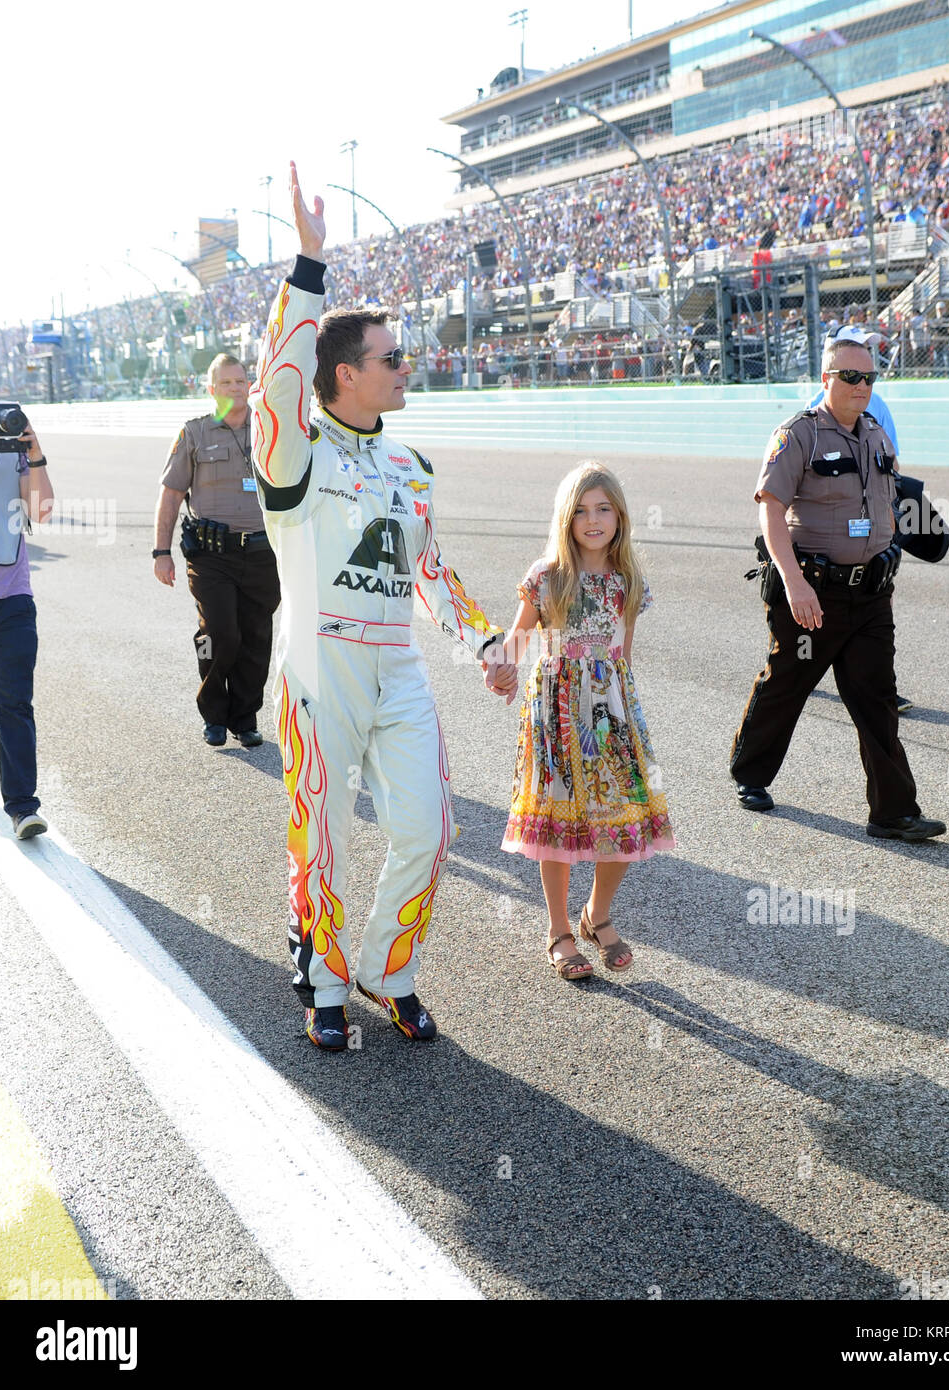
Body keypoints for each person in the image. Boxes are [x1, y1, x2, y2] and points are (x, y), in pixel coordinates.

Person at [250, 163, 516, 1051]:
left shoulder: (410, 466)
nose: (407, 366)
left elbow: (429, 568)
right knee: (320, 840)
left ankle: (383, 966)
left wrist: (481, 640)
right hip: (317, 666)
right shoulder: (295, 455)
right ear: (344, 376)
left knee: (430, 830)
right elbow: (272, 392)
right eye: (392, 358)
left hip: (396, 661)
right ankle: (324, 978)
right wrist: (308, 266)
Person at [730, 337, 946, 843]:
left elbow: (889, 500)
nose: (862, 386)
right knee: (787, 684)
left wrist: (890, 546)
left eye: (869, 377)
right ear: (826, 380)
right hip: (812, 593)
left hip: (870, 596)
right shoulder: (797, 435)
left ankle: (892, 812)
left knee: (876, 699)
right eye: (850, 377)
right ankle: (750, 776)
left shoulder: (876, 435)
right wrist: (793, 582)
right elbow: (770, 512)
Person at [501, 462, 675, 980]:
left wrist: (624, 709)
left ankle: (597, 914)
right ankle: (558, 928)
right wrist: (501, 667)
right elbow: (517, 640)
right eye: (580, 510)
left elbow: (626, 652)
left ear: (620, 515)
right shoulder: (547, 576)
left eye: (603, 509)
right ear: (564, 518)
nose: (592, 520)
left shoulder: (629, 580)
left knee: (623, 814)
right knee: (557, 818)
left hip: (611, 710)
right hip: (555, 709)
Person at [153, 354, 280, 748]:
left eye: (241, 381)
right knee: (219, 634)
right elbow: (172, 493)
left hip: (263, 554)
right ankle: (213, 713)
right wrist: (161, 551)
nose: (236, 388)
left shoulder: (269, 432)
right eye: (226, 383)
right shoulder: (194, 433)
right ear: (211, 389)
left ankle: (245, 718)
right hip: (211, 556)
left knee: (256, 638)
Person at [805, 326, 912, 712]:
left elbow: (890, 460)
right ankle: (800, 670)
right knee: (813, 626)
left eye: (867, 366)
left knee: (870, 615)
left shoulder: (872, 401)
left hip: (868, 537)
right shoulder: (811, 415)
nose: (861, 380)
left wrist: (890, 517)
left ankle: (881, 689)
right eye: (851, 372)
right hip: (824, 550)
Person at [0, 365, 54, 838]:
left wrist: (35, 453)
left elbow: (42, 511)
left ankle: (23, 806)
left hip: (11, 596)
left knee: (15, 702)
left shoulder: (13, 434)